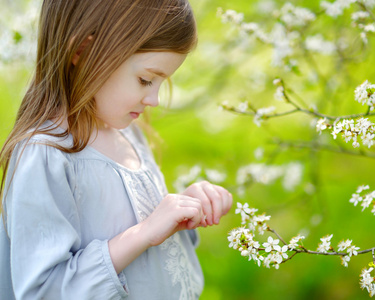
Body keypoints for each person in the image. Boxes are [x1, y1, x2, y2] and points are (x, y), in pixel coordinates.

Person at [0, 0, 233, 299]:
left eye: (161, 82)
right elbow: (43, 290)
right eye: (145, 80)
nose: (155, 100)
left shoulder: (128, 133)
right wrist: (143, 234)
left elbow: (152, 259)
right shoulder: (47, 155)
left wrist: (183, 211)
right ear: (82, 52)